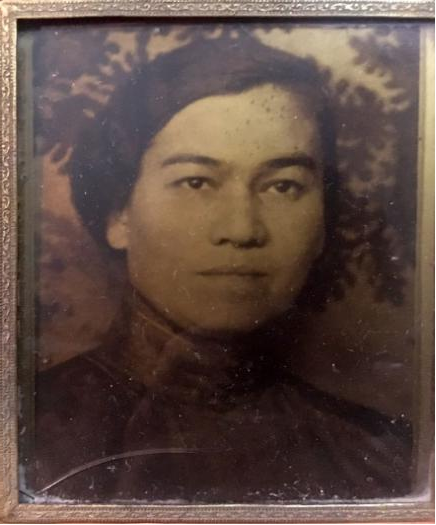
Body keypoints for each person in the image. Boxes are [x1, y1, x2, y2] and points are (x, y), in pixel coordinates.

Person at [29, 32, 412, 503]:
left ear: (322, 226)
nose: (242, 229)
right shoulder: (27, 437)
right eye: (196, 182)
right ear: (118, 214)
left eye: (284, 186)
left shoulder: (383, 458)